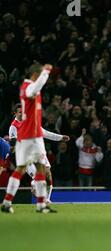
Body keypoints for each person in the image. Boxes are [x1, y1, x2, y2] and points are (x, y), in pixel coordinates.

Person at [1, 63, 55, 213]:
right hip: (26, 136)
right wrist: (46, 73)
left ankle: (41, 204)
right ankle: (6, 202)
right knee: (21, 169)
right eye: (39, 74)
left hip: (36, 135)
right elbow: (36, 88)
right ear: (34, 74)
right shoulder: (27, 87)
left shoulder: (33, 87)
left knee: (41, 169)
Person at [9, 104, 70, 202]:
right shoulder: (13, 126)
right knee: (37, 176)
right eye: (20, 112)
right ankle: (34, 185)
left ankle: (47, 199)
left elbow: (45, 133)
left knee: (48, 176)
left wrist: (60, 137)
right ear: (15, 113)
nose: (22, 114)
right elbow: (13, 142)